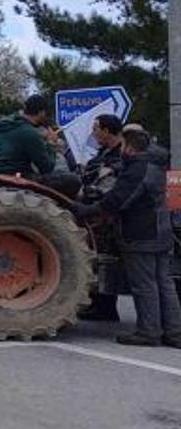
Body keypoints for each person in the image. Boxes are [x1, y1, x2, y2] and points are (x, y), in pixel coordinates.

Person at [74, 129, 181, 347]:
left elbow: (120, 199)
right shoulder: (159, 164)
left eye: (122, 145)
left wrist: (88, 210)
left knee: (144, 284)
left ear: (130, 147)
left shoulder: (137, 168)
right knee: (164, 282)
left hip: (140, 233)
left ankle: (149, 331)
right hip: (162, 229)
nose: (120, 150)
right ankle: (174, 332)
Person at [78, 114, 125, 322]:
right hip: (98, 212)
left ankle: (106, 307)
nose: (93, 133)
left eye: (96, 128)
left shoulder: (121, 156)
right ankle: (101, 306)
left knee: (109, 256)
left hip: (111, 216)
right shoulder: (103, 154)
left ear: (107, 131)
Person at [0, 95, 59, 177]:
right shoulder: (30, 133)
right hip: (20, 176)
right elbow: (46, 168)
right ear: (41, 112)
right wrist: (51, 143)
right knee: (70, 180)